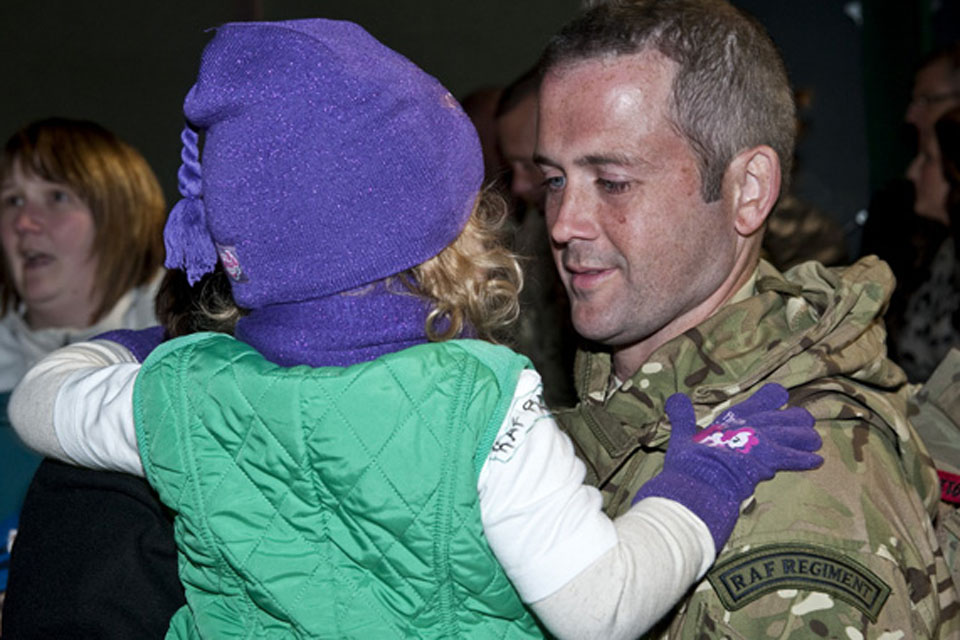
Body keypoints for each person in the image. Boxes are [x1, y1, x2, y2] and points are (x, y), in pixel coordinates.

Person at [8, 18, 822, 639]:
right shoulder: (480, 402)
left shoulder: (186, 394)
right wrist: (707, 479)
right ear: (445, 227)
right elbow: (600, 607)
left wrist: (167, 346)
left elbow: (40, 403)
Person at [534, 0, 960, 636]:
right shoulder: (631, 401)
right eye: (553, 182)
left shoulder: (797, 476)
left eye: (613, 182)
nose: (565, 224)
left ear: (749, 190)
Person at [0, 118, 170, 623]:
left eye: (56, 197)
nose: (25, 222)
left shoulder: (189, 354)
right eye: (11, 200)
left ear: (123, 215)